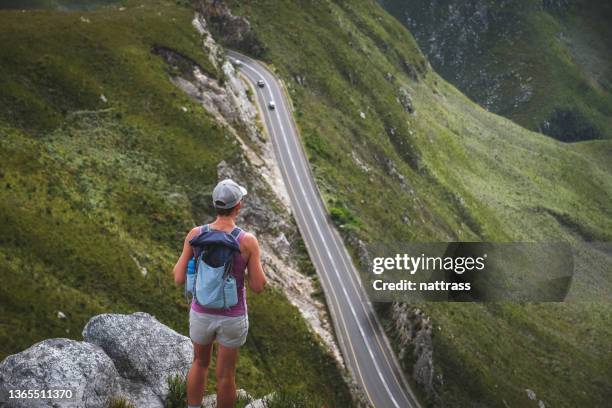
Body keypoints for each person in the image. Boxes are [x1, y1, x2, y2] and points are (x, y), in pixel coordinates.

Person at [173, 179, 266, 408]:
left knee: (199, 363)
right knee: (226, 375)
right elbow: (258, 286)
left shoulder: (196, 234)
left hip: (201, 312)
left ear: (215, 206)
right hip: (232, 316)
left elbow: (177, 276)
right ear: (238, 207)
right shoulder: (247, 241)